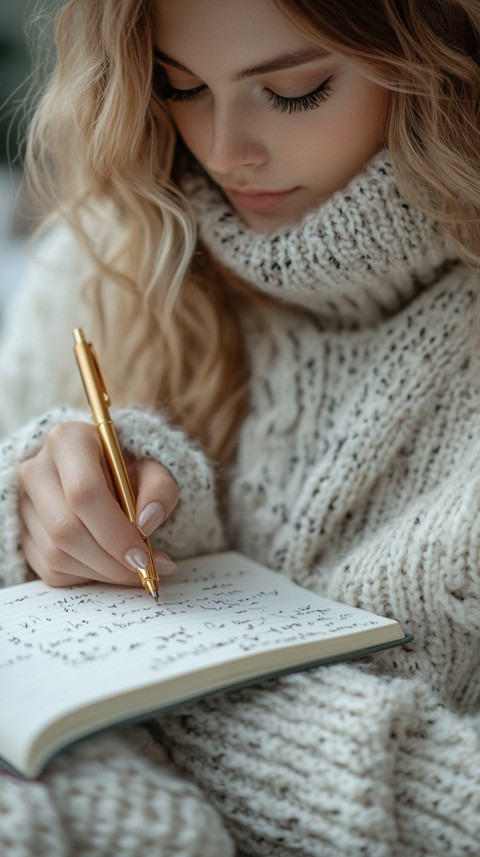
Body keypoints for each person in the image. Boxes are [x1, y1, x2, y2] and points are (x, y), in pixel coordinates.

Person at [0, 0, 479, 854]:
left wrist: (187, 693)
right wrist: (32, 514)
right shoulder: (105, 254)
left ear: (443, 61)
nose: (223, 152)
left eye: (294, 90)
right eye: (178, 87)